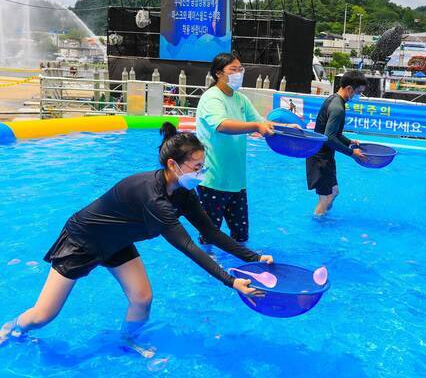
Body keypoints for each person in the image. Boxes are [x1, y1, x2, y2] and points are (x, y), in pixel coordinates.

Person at [0, 123, 272, 348]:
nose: (202, 172)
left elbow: (210, 232)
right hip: (83, 241)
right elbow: (188, 246)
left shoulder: (182, 192)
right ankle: (12, 328)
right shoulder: (153, 198)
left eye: (204, 165)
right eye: (196, 166)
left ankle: (127, 343)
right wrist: (231, 281)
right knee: (44, 315)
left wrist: (255, 257)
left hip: (116, 242)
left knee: (142, 298)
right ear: (172, 164)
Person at [196, 53, 297, 246]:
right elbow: (222, 125)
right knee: (209, 236)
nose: (238, 73)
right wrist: (255, 127)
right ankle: (208, 271)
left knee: (241, 236)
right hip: (212, 180)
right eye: (233, 69)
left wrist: (286, 128)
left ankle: (240, 267)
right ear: (218, 73)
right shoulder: (211, 98)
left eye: (240, 69)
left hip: (237, 182)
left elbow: (261, 122)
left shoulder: (241, 99)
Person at [306, 70, 368, 216]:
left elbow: (335, 134)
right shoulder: (337, 108)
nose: (358, 96)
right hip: (319, 158)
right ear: (349, 89)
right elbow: (329, 137)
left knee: (334, 192)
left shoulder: (334, 99)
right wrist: (352, 153)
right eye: (358, 92)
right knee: (326, 198)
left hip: (324, 156)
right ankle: (318, 226)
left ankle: (323, 218)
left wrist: (349, 141)